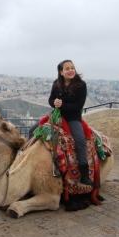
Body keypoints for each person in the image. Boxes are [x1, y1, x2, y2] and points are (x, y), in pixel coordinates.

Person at [49, 59, 93, 187]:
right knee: (34, 131)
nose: (70, 70)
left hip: (73, 118)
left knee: (80, 141)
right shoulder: (56, 84)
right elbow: (51, 99)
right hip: (57, 116)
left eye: (72, 68)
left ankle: (84, 175)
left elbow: (78, 106)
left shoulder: (81, 85)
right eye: (67, 68)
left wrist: (61, 105)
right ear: (61, 72)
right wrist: (54, 103)